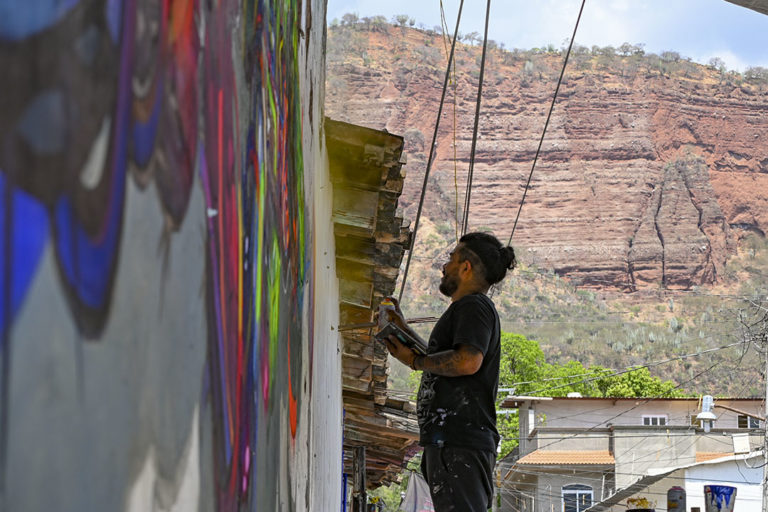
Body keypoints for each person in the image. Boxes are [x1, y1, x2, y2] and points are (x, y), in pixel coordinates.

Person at [382, 232, 516, 512]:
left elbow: (467, 361)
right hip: (451, 441)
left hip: (459, 441)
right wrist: (404, 332)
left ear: (466, 267)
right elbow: (447, 358)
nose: (444, 267)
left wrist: (415, 362)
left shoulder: (474, 306)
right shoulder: (467, 309)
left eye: (451, 259)